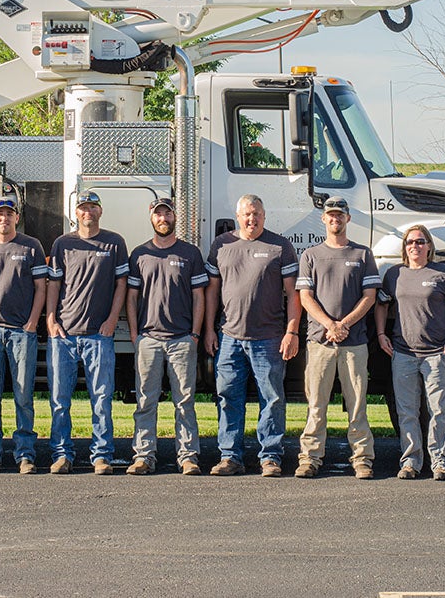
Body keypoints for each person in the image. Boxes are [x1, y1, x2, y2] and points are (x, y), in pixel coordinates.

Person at [204, 194, 301, 477]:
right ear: (237, 216)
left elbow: (293, 295)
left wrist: (291, 331)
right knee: (227, 397)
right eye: (247, 214)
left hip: (269, 337)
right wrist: (209, 328)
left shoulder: (279, 246)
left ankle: (270, 457)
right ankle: (230, 457)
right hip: (229, 337)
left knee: (271, 399)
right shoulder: (222, 245)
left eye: (257, 213)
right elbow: (212, 291)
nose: (252, 219)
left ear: (264, 216)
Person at [295, 196, 380, 480]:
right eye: (330, 215)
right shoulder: (310, 256)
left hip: (354, 342)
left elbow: (370, 297)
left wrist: (343, 324)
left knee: (357, 405)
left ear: (348, 219)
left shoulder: (362, 255)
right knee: (316, 405)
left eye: (340, 215)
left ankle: (362, 459)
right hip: (320, 341)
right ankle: (310, 458)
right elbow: (305, 297)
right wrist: (329, 324)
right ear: (323, 219)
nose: (335, 219)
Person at [375, 224, 445, 481]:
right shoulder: (395, 274)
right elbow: (382, 305)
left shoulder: (443, 273)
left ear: (429, 246)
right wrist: (382, 334)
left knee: (439, 411)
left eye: (419, 242)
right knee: (407, 411)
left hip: (437, 354)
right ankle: (411, 462)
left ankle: (440, 462)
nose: (414, 246)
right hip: (403, 354)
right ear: (404, 248)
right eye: (409, 242)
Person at [46, 190, 128, 475]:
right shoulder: (62, 244)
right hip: (65, 335)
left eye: (93, 207)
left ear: (100, 211)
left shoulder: (115, 243)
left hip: (98, 335)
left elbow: (121, 285)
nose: (88, 212)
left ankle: (101, 456)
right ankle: (61, 455)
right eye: (83, 207)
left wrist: (112, 319)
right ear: (76, 213)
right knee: (59, 400)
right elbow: (54, 284)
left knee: (102, 399)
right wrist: (51, 319)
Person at [125, 197, 208, 476]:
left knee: (184, 402)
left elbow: (200, 297)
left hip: (182, 339)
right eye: (158, 214)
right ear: (151, 218)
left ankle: (187, 456)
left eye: (167, 214)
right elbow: (131, 297)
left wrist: (195, 334)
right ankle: (144, 456)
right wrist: (136, 335)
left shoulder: (190, 253)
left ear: (175, 218)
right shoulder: (139, 254)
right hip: (148, 339)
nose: (163, 219)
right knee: (145, 401)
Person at [0, 197, 47, 475]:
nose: (4, 218)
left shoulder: (31, 246)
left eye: (9, 214)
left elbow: (42, 288)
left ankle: (24, 455)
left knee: (23, 397)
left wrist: (31, 323)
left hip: (21, 333)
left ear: (17, 217)